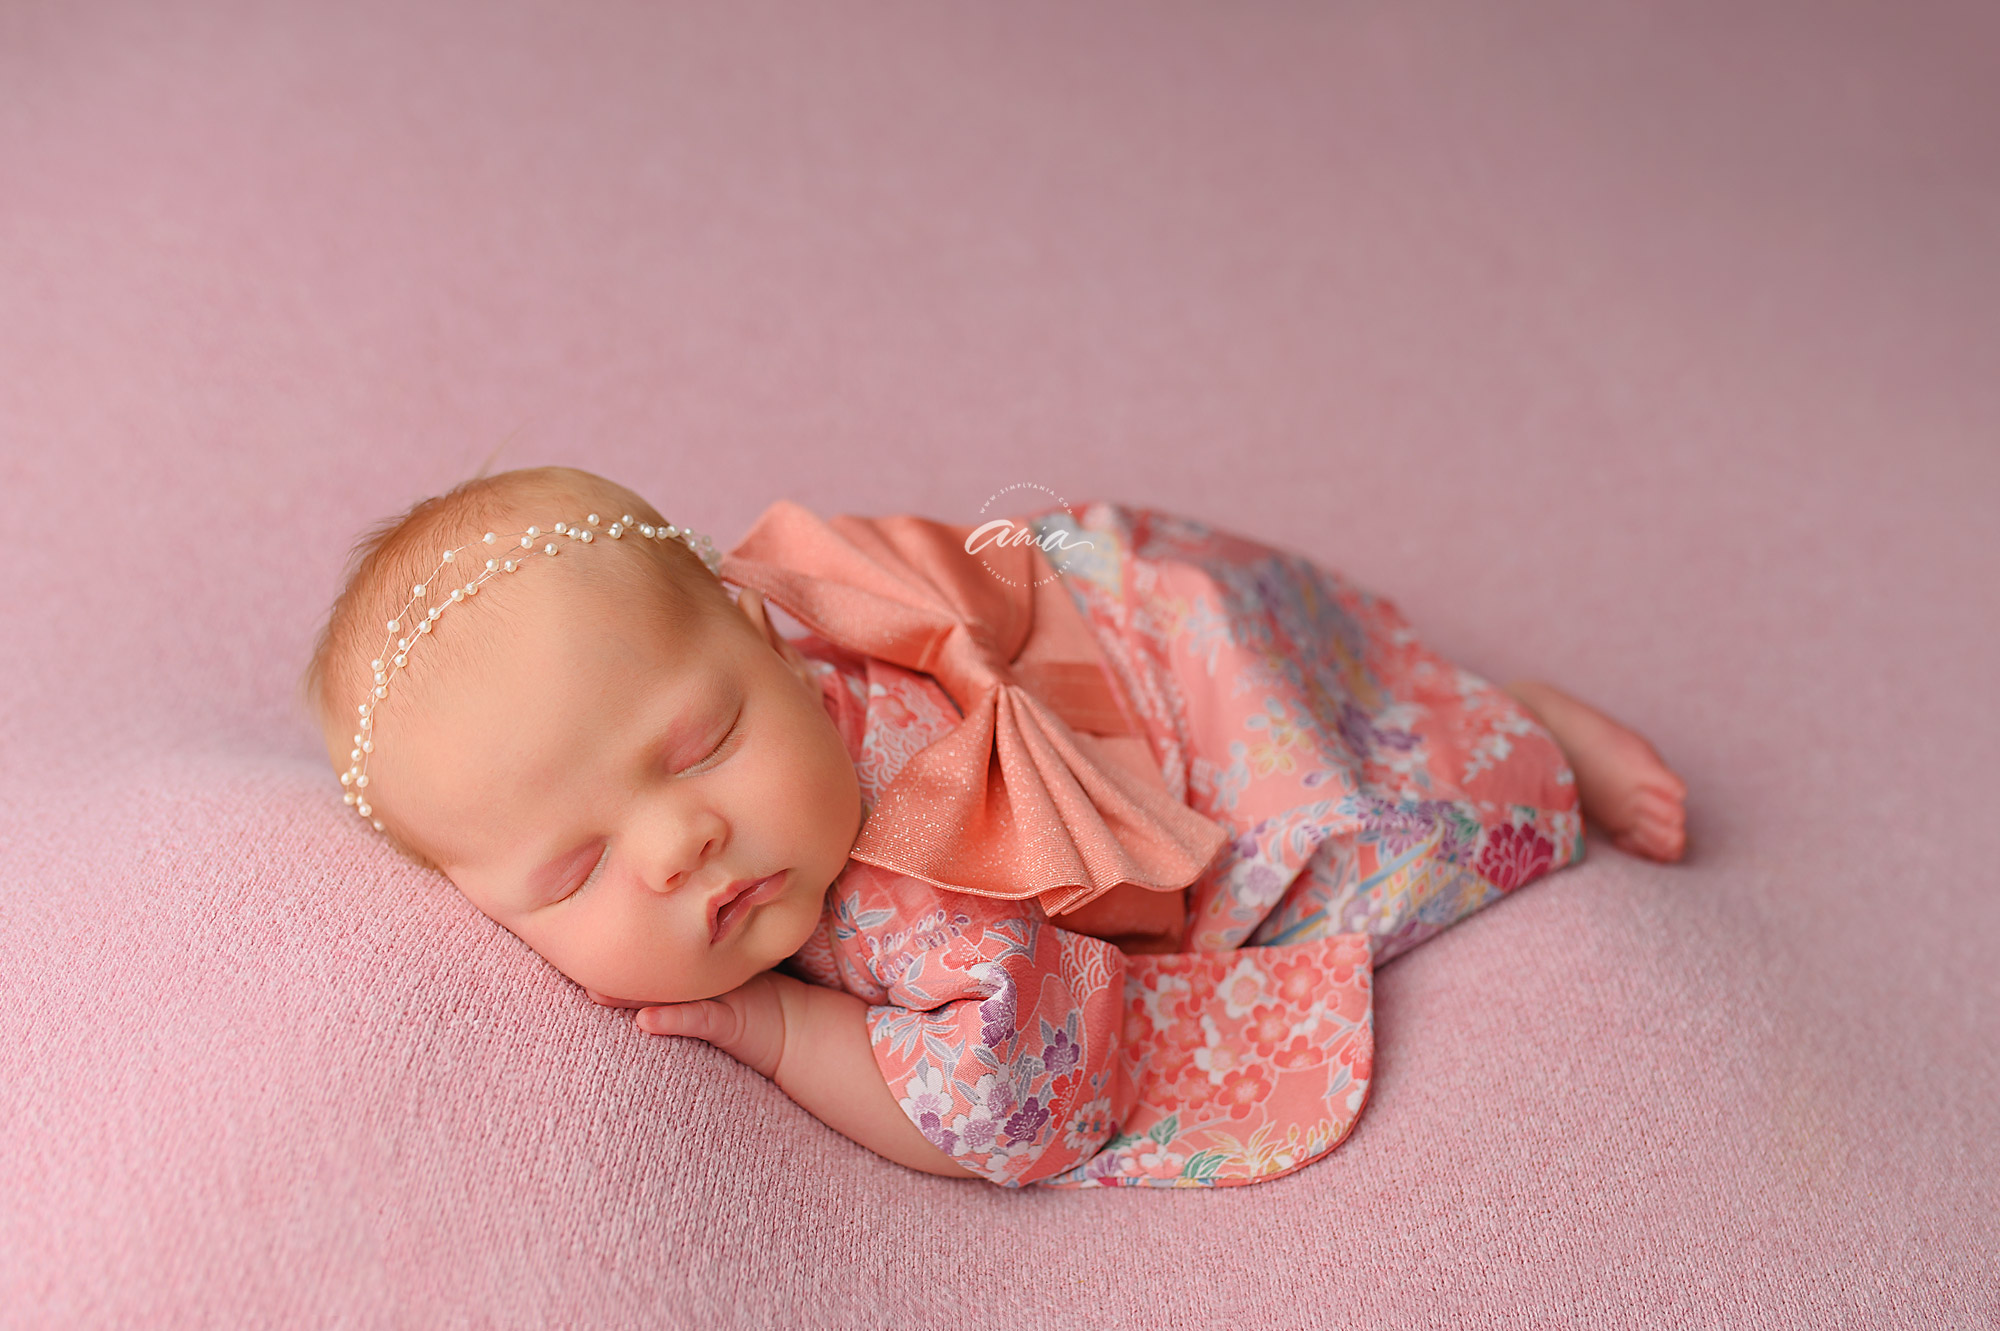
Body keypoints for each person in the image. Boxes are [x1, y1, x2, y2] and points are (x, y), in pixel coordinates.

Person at [301, 466, 1687, 1188]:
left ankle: (1525, 728)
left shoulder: (912, 884)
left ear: (760, 634)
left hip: (1199, 733)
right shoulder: (763, 754)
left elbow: (1018, 1105)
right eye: (576, 868)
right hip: (1127, 629)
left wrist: (791, 1032)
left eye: (702, 744)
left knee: (1406, 820)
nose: (678, 847)